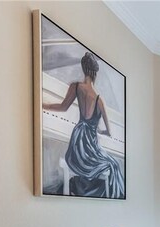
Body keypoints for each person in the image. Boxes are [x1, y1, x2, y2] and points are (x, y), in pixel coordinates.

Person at [43, 52, 124, 198]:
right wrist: (99, 130)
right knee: (114, 165)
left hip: (77, 144)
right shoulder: (99, 100)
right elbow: (109, 132)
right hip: (90, 146)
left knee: (110, 164)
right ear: (95, 73)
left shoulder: (75, 87)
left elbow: (62, 107)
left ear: (84, 70)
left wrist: (44, 106)